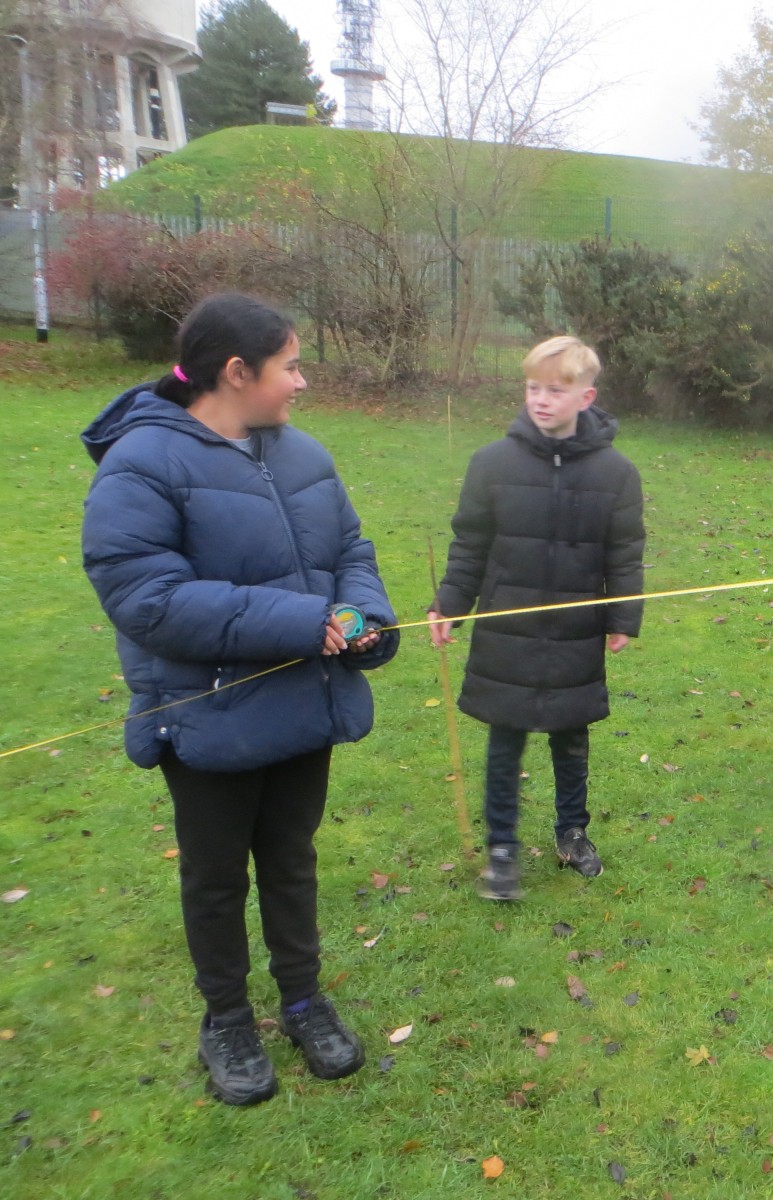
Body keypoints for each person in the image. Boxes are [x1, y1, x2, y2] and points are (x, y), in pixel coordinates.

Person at [81, 292, 399, 1106]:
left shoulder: (302, 454)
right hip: (206, 716)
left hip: (303, 704)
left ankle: (303, 1000)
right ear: (236, 371)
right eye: (290, 365)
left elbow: (351, 550)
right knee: (217, 875)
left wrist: (363, 620)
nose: (301, 381)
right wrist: (303, 622)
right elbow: (147, 598)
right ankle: (226, 1018)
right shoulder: (142, 463)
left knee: (291, 859)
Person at [428, 336, 645, 898]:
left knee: (571, 736)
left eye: (555, 390)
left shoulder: (616, 473)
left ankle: (572, 832)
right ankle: (502, 848)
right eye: (533, 388)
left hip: (575, 631)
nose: (541, 400)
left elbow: (624, 551)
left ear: (586, 397)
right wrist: (450, 604)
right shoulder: (491, 464)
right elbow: (469, 544)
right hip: (508, 627)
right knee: (506, 740)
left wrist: (622, 616)